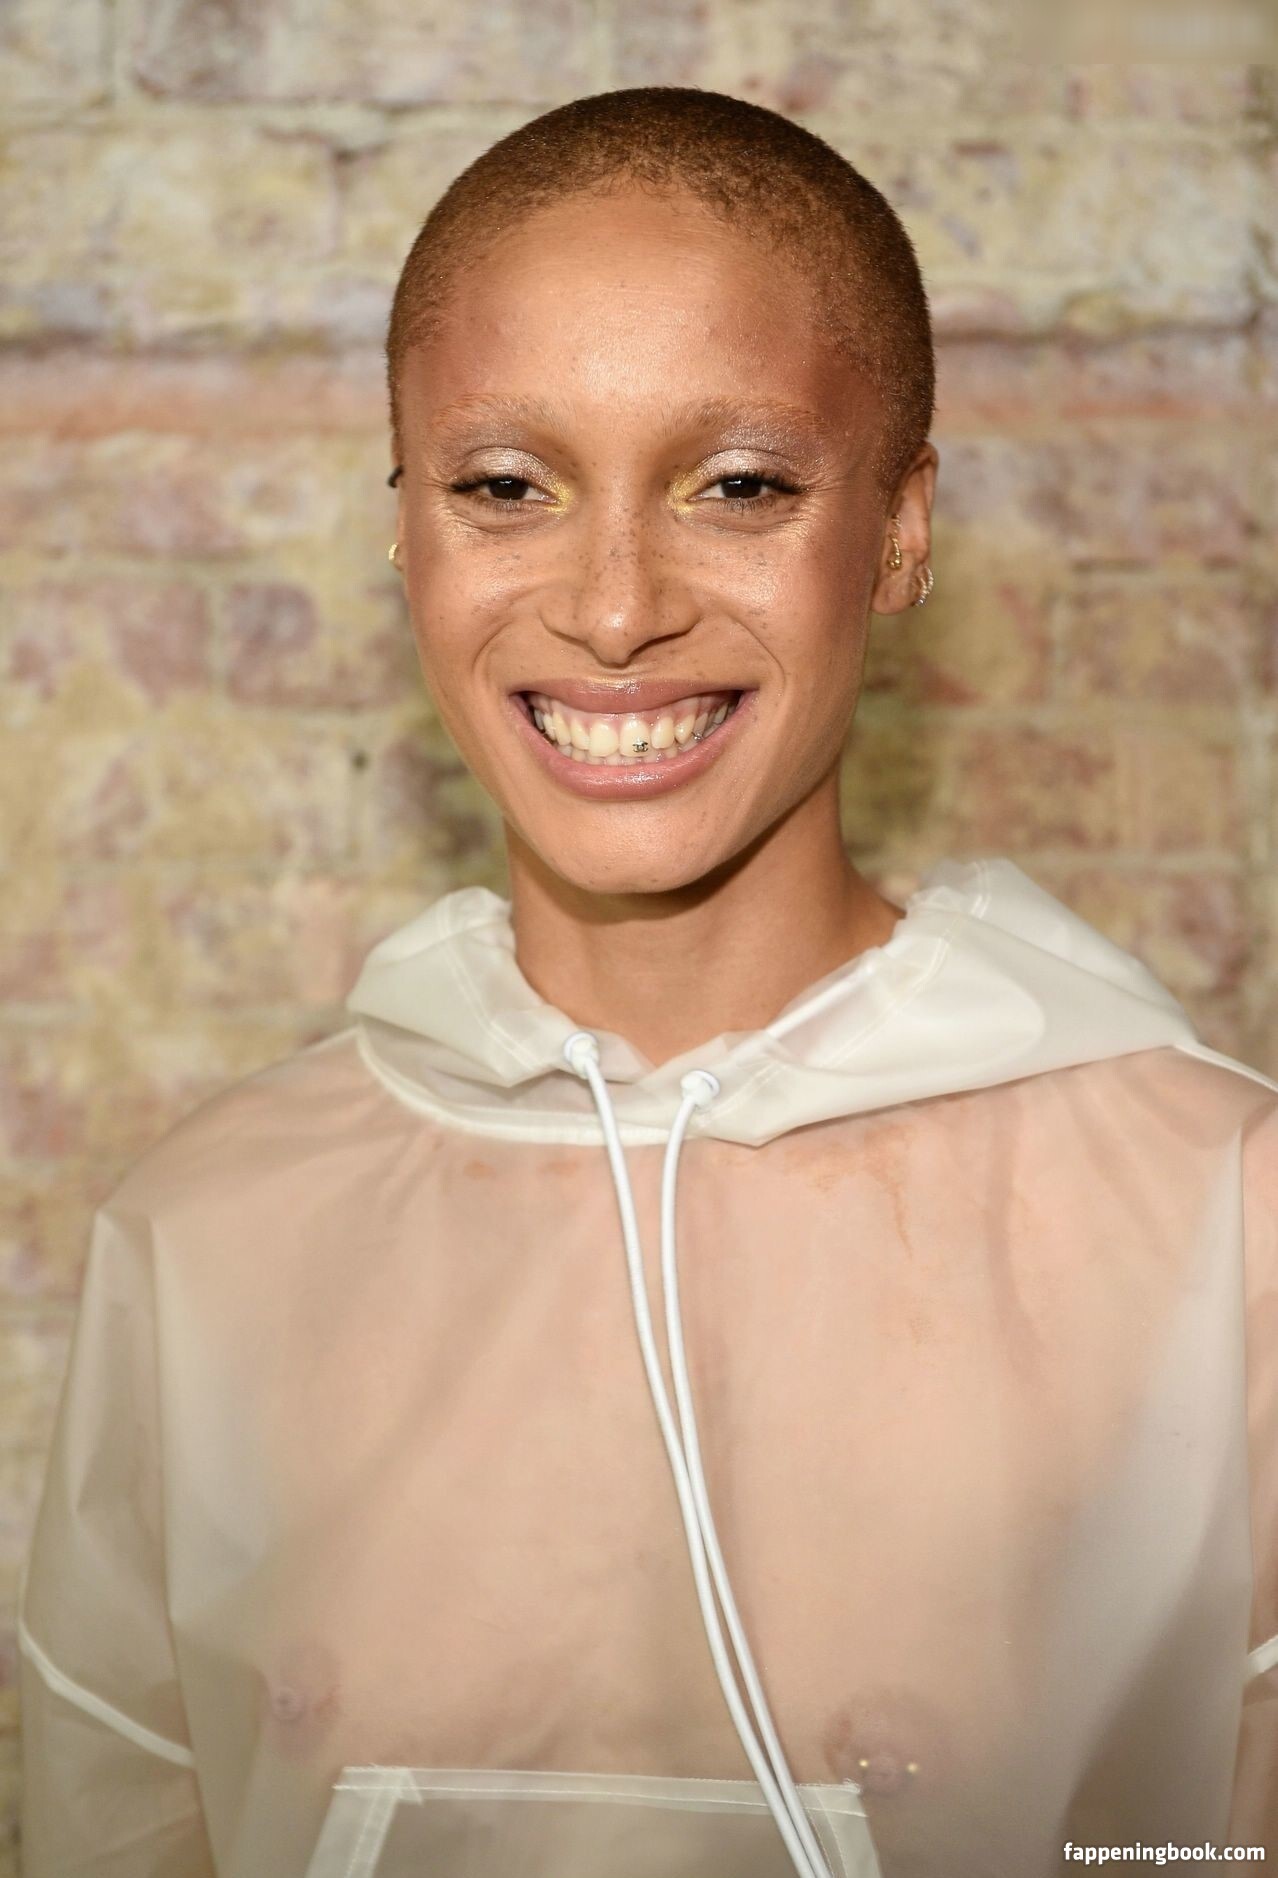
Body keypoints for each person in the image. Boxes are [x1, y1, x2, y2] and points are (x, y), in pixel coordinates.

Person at [16, 87, 1277, 1878]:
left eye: (739, 484)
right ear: (405, 529)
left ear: (899, 529)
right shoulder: (201, 1236)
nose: (614, 610)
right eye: (504, 486)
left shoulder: (1226, 1226)